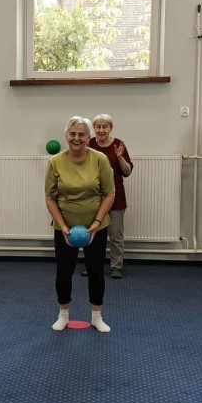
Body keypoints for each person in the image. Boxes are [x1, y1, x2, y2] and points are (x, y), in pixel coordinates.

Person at [45, 116, 115, 333]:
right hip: (65, 227)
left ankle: (97, 317)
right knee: (63, 273)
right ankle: (63, 315)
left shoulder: (100, 159)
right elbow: (50, 197)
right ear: (66, 136)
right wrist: (63, 226)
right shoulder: (55, 162)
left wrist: (97, 222)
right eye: (72, 134)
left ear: (88, 137)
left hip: (96, 227)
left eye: (82, 134)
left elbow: (109, 193)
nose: (77, 138)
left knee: (96, 272)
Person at [88, 114, 133, 279]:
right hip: (93, 196)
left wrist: (120, 157)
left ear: (110, 128)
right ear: (94, 129)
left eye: (104, 127)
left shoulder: (118, 144)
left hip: (115, 196)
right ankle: (92, 266)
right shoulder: (89, 143)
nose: (101, 130)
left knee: (115, 235)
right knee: (92, 234)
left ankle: (116, 267)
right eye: (98, 127)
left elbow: (127, 172)